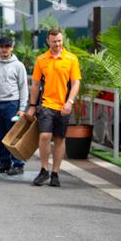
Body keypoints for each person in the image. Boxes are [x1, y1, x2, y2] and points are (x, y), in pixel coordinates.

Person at [27, 29, 81, 187]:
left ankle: (55, 173)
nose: (57, 44)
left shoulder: (71, 59)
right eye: (54, 41)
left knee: (59, 139)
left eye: (59, 41)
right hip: (46, 105)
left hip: (64, 106)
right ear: (48, 42)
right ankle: (44, 170)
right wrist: (32, 106)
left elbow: (76, 82)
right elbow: (36, 84)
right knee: (44, 136)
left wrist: (69, 102)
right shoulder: (41, 59)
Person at [0, 37, 29, 175]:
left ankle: (18, 164)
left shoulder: (18, 66)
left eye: (7, 46)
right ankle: (4, 163)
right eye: (2, 46)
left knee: (14, 136)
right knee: (1, 136)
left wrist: (21, 109)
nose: (4, 49)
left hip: (12, 104)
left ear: (12, 48)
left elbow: (23, 88)